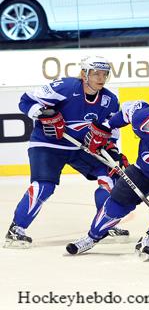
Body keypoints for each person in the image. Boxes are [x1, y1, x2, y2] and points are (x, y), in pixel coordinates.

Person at [4, 56, 129, 248]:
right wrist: (44, 113)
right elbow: (26, 101)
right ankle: (16, 230)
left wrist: (111, 148)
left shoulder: (110, 100)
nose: (100, 78)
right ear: (83, 74)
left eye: (104, 74)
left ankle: (104, 224)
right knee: (44, 186)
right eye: (95, 73)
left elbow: (110, 129)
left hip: (80, 147)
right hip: (48, 144)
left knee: (110, 177)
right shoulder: (65, 87)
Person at [65, 92, 149, 256]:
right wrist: (103, 129)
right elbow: (125, 113)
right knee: (118, 201)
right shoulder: (141, 117)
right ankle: (92, 237)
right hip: (145, 170)